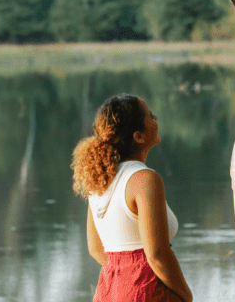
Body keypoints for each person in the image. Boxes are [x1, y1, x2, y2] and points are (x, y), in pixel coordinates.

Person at [72, 95, 192, 302]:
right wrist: (186, 296)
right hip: (146, 290)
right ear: (138, 136)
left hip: (109, 289)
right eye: (150, 117)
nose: (156, 118)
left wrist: (123, 272)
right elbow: (157, 254)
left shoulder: (100, 179)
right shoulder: (145, 179)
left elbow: (96, 248)